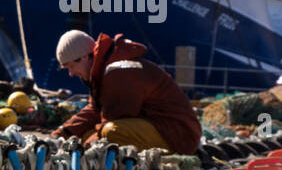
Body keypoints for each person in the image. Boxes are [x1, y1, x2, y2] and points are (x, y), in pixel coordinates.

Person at [51, 29, 201, 154]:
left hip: (178, 135)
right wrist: (62, 134)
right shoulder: (104, 72)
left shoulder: (118, 71)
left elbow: (117, 117)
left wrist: (85, 148)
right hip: (159, 127)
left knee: (110, 133)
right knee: (86, 135)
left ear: (84, 57)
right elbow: (95, 110)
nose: (71, 74)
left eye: (70, 66)